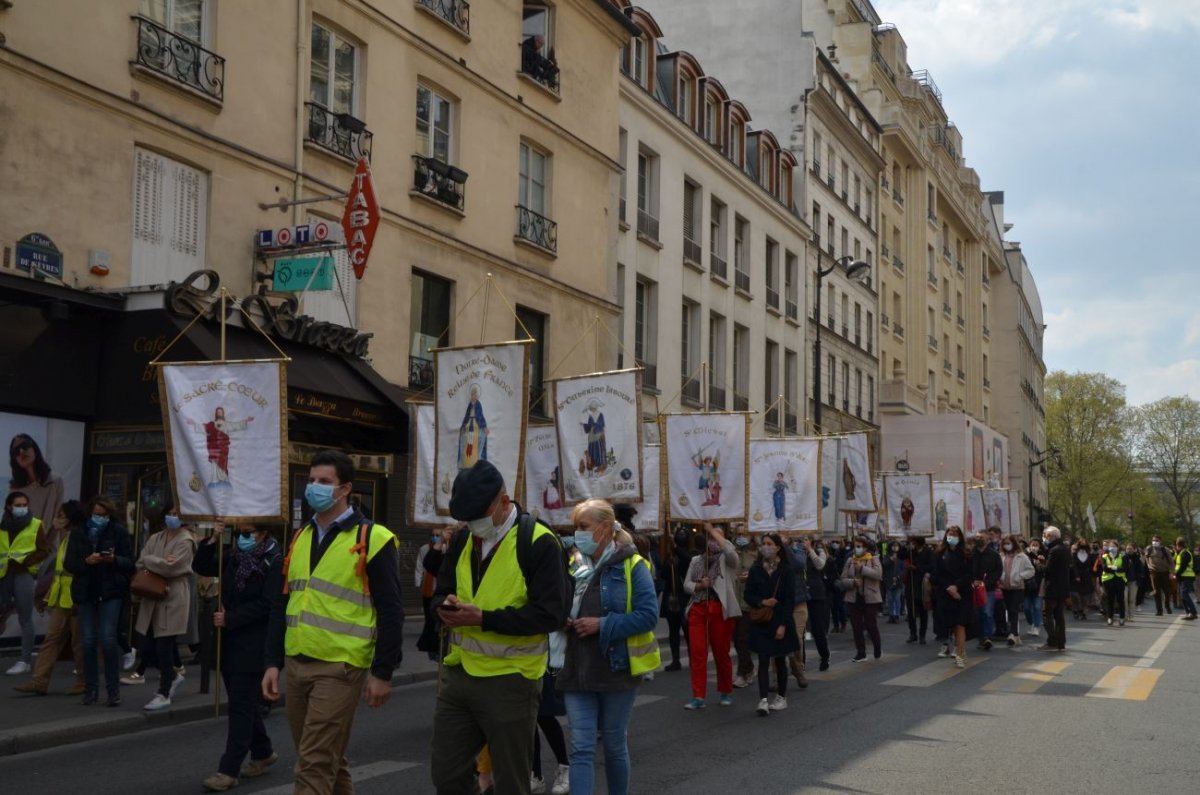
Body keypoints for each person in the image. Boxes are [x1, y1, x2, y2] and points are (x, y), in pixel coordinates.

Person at [263, 450, 403, 794]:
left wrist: (383, 672)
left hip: (341, 667)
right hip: (297, 662)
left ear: (345, 489)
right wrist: (272, 662)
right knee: (327, 758)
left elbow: (391, 610)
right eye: (311, 481)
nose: (314, 487)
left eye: (324, 482)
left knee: (313, 762)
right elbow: (284, 600)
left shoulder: (374, 538)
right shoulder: (300, 537)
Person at [429, 459, 570, 794]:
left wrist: (484, 618)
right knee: (446, 775)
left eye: (477, 515)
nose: (470, 523)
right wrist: (443, 609)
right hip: (459, 675)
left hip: (512, 680)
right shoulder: (464, 540)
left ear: (503, 502)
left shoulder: (539, 541)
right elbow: (441, 591)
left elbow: (552, 614)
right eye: (465, 517)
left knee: (511, 782)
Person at [557, 499, 658, 795]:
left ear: (604, 528)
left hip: (616, 670)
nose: (578, 534)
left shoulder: (633, 564)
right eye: (575, 527)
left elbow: (648, 616)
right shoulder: (574, 562)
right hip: (577, 669)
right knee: (580, 749)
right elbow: (559, 601)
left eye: (583, 527)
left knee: (614, 747)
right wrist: (560, 618)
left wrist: (602, 624)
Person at [194, 521, 283, 792]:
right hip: (230, 640)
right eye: (239, 533)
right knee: (241, 701)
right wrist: (212, 539)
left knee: (240, 706)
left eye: (248, 533)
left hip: (255, 644)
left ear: (264, 533)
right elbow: (203, 566)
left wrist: (230, 618)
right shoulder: (235, 555)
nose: (242, 538)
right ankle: (263, 751)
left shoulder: (274, 561)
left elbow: (269, 604)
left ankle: (228, 770)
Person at [14, 500, 87, 696]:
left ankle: (83, 680)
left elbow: (78, 569)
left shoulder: (80, 537)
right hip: (62, 597)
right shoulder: (67, 537)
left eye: (62, 515)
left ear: (71, 517)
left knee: (78, 642)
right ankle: (39, 681)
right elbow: (59, 572)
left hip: (77, 597)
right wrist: (48, 596)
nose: (57, 519)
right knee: (51, 639)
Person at [65, 497, 134, 705]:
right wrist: (86, 561)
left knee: (108, 639)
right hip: (86, 591)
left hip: (110, 590)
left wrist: (113, 560)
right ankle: (91, 688)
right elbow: (69, 563)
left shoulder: (118, 531)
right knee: (87, 641)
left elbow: (130, 562)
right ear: (90, 513)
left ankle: (113, 691)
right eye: (97, 514)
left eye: (104, 515)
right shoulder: (79, 532)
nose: (100, 518)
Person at [133, 504, 195, 711]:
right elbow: (141, 561)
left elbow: (173, 567)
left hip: (173, 595)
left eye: (176, 514)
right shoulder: (156, 538)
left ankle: (164, 691)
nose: (172, 517)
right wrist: (156, 561)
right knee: (147, 646)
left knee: (165, 644)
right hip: (151, 594)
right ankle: (173, 675)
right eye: (169, 513)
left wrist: (152, 561)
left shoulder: (186, 540)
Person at [682, 523, 741, 709]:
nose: (714, 540)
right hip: (699, 609)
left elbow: (731, 553)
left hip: (719, 609)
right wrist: (699, 586)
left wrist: (713, 531)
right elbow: (687, 584)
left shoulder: (727, 559)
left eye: (718, 536)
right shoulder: (696, 561)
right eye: (711, 537)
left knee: (721, 653)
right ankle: (698, 696)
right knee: (698, 654)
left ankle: (725, 691)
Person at [744, 533, 798, 716]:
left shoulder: (786, 570)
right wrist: (762, 602)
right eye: (763, 544)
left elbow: (790, 599)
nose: (765, 547)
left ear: (777, 547)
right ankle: (763, 700)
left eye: (769, 544)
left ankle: (781, 697)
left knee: (780, 659)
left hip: (780, 620)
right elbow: (748, 595)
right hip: (762, 621)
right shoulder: (756, 569)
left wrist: (783, 625)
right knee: (763, 659)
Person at [2, 490, 48, 675]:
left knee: (25, 616)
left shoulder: (35, 524)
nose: (22, 508)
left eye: (24, 505)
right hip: (3, 574)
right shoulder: (2, 524)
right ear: (9, 506)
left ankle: (24, 660)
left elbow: (43, 550)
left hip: (23, 574)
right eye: (18, 505)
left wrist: (27, 561)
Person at [932, 526, 973, 668]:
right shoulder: (940, 553)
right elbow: (935, 575)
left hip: (963, 594)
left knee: (960, 624)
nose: (952, 536)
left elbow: (970, 574)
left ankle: (960, 654)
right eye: (950, 534)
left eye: (955, 534)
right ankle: (960, 649)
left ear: (960, 536)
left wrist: (957, 586)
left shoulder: (966, 553)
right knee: (954, 625)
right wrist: (949, 587)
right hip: (946, 594)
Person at [838, 535, 882, 662]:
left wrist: (862, 569)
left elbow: (878, 574)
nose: (856, 549)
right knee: (856, 626)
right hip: (854, 597)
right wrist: (852, 582)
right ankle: (861, 652)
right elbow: (843, 579)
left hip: (870, 597)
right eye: (855, 546)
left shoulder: (873, 559)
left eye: (859, 546)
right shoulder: (850, 560)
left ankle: (877, 647)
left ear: (865, 547)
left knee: (870, 625)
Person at [8, 434, 64, 528]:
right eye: (16, 451)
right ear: (15, 460)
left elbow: (58, 518)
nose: (21, 451)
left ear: (34, 448)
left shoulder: (54, 481)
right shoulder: (15, 489)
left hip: (49, 541)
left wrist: (45, 541)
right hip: (24, 541)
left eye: (24, 446)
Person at [416, 527, 452, 660]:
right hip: (432, 590)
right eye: (435, 535)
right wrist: (440, 542)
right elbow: (426, 565)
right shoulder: (428, 548)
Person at [658, 528, 689, 671]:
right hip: (672, 596)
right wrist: (668, 564)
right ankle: (675, 660)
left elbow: (687, 564)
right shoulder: (670, 555)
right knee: (673, 631)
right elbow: (663, 575)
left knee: (688, 631)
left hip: (685, 597)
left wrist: (676, 549)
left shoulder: (689, 554)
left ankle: (694, 658)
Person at [731, 525, 758, 689]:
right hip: (734, 602)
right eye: (738, 534)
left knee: (743, 638)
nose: (740, 536)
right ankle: (748, 669)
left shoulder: (756, 554)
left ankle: (743, 672)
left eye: (744, 534)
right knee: (737, 639)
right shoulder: (732, 553)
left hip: (749, 603)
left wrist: (752, 575)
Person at [998, 534, 1035, 645]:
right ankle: (1016, 635)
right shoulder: (1001, 556)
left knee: (1013, 609)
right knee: (1008, 610)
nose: (1006, 546)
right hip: (1004, 587)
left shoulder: (1021, 556)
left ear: (1013, 543)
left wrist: (1020, 576)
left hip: (1017, 587)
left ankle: (1012, 634)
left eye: (1008, 543)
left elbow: (1031, 570)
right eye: (1004, 543)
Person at [1039, 527, 1070, 652]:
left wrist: (1040, 565)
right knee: (1059, 616)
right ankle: (1060, 642)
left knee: (1047, 615)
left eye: (1046, 536)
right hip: (1063, 588)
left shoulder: (1054, 550)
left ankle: (1052, 641)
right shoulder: (1064, 549)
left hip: (1052, 588)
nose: (1044, 538)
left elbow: (1048, 571)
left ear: (1052, 536)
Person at [803, 537, 831, 671]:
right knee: (800, 629)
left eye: (806, 540)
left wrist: (810, 550)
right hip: (800, 594)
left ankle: (824, 655)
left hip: (816, 594)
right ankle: (800, 661)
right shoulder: (797, 554)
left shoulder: (820, 552)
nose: (803, 542)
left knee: (817, 628)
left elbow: (820, 565)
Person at [784, 535, 809, 688]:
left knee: (796, 639)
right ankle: (776, 677)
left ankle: (797, 669)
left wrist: (786, 547)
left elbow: (799, 564)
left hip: (798, 602)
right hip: (779, 603)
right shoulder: (770, 552)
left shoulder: (798, 549)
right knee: (777, 640)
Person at [972, 530, 1001, 651]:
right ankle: (980, 637)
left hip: (988, 589)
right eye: (977, 537)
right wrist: (972, 580)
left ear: (987, 539)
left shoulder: (993, 554)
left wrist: (986, 582)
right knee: (977, 614)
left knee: (987, 613)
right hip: (973, 588)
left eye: (982, 538)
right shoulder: (970, 553)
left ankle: (987, 637)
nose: (979, 539)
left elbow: (998, 571)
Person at [904, 537, 934, 644]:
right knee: (911, 611)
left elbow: (931, 566)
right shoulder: (911, 552)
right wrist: (905, 544)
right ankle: (913, 633)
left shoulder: (929, 552)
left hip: (922, 585)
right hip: (911, 585)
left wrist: (917, 568)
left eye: (914, 542)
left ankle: (922, 635)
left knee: (923, 611)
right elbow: (901, 555)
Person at [1097, 539, 1128, 627]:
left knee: (1120, 600)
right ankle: (1110, 617)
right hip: (1108, 581)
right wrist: (1116, 568)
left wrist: (1114, 568)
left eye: (1114, 546)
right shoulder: (1104, 556)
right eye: (1111, 546)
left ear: (1118, 548)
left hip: (1119, 580)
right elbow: (1105, 568)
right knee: (1110, 600)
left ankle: (1122, 618)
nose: (1112, 548)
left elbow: (1125, 568)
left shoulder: (1122, 556)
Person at [1144, 535, 1174, 615]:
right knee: (1156, 592)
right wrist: (1149, 565)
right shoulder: (1149, 549)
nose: (1154, 542)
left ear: (1160, 541)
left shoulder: (1165, 550)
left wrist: (1172, 572)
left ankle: (1167, 606)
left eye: (1156, 540)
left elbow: (1171, 561)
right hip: (1154, 572)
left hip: (1164, 572)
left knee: (1166, 592)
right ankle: (1159, 610)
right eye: (1153, 540)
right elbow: (1146, 557)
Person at [1024, 538, 1046, 639]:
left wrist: (1041, 564)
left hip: (1038, 585)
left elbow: (1045, 570)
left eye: (1036, 545)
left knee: (1037, 607)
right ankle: (1031, 623)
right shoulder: (1024, 556)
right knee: (1027, 607)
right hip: (1026, 586)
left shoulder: (1042, 555)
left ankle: (1036, 626)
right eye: (1033, 544)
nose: (1034, 546)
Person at [826, 538, 849, 633]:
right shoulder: (831, 554)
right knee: (833, 607)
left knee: (840, 606)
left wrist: (842, 544)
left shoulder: (842, 554)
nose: (835, 544)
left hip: (839, 583)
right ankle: (836, 625)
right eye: (833, 542)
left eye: (837, 542)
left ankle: (843, 624)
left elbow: (843, 553)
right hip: (831, 584)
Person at [1068, 541, 1095, 620]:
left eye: (1084, 544)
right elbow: (1074, 566)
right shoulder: (1074, 555)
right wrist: (1076, 575)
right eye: (1081, 544)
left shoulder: (1090, 555)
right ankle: (1075, 609)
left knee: (1085, 596)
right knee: (1075, 595)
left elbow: (1092, 566)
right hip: (1075, 577)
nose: (1083, 546)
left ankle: (1083, 611)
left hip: (1086, 577)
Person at [1173, 536, 1197, 620]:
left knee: (1184, 594)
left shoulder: (1185, 553)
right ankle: (1188, 613)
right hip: (1183, 577)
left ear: (1178, 545)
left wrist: (1176, 574)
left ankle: (1193, 612)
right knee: (1182, 595)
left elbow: (1182, 566)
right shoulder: (1181, 553)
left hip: (1186, 576)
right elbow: (1175, 562)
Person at [883, 544, 904, 623]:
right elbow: (884, 565)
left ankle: (897, 616)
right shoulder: (887, 556)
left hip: (898, 582)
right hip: (889, 581)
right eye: (893, 546)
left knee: (897, 599)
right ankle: (891, 615)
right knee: (890, 599)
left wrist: (898, 576)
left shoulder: (901, 556)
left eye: (896, 546)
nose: (895, 547)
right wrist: (891, 559)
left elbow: (903, 569)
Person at [1124, 542, 1144, 620]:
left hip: (1133, 582)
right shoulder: (1123, 558)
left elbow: (1141, 570)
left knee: (1132, 599)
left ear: (1134, 549)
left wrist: (1138, 578)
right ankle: (1125, 615)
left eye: (1130, 549)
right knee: (1124, 598)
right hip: (1124, 581)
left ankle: (1131, 615)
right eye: (1127, 549)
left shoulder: (1137, 559)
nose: (1129, 550)